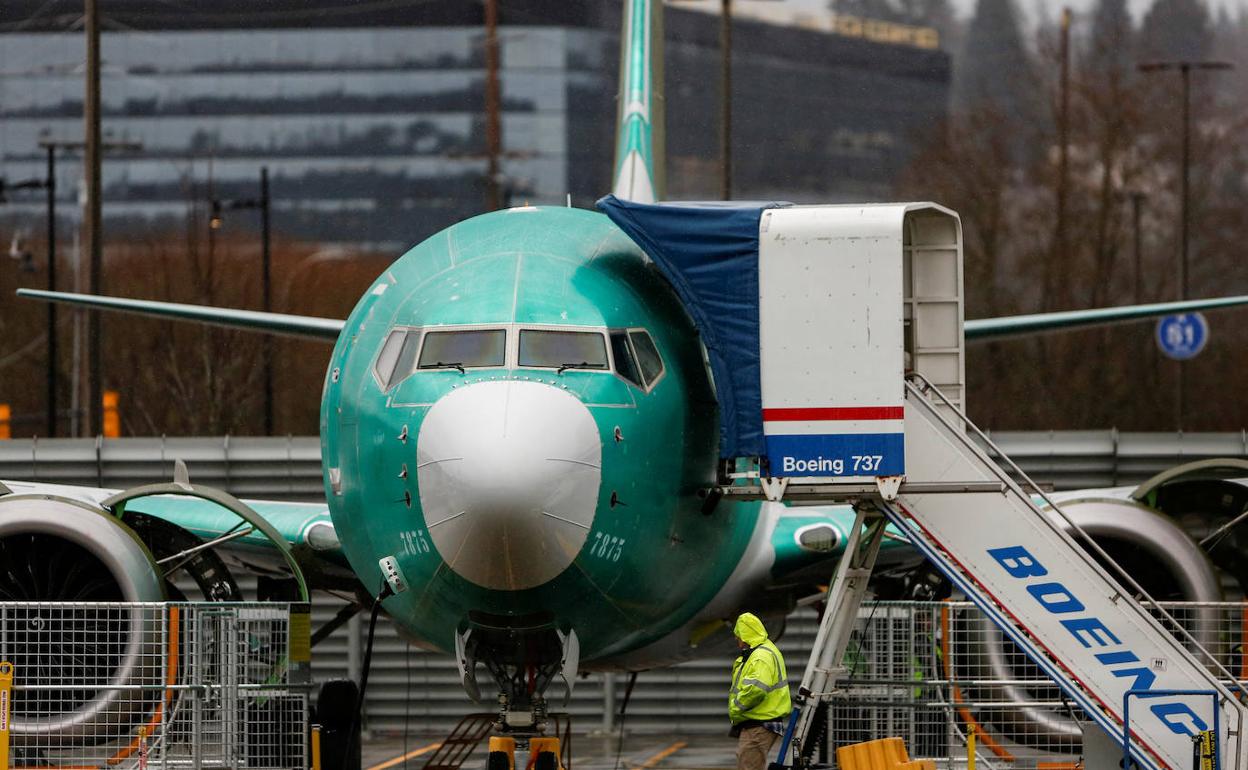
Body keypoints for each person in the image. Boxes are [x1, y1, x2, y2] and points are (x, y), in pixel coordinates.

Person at [729, 612, 792, 770]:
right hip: (761, 723)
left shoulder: (759, 656)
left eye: (738, 637)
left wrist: (737, 707)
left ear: (745, 636)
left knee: (749, 766)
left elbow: (756, 690)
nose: (737, 641)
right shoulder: (764, 650)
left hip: (758, 724)